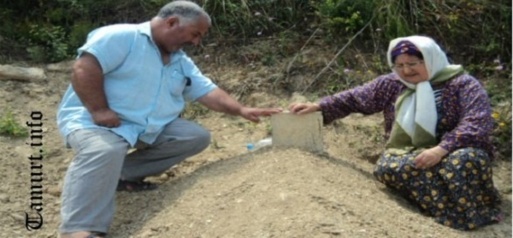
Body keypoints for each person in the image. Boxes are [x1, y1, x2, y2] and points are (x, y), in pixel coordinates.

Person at [56, 1, 282, 237]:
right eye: (195, 34)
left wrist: (242, 110)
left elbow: (208, 92)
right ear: (172, 22)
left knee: (195, 137)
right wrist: (99, 109)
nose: (196, 42)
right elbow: (84, 68)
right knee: (104, 150)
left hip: (146, 127)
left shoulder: (180, 60)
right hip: (97, 122)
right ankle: (80, 228)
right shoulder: (122, 36)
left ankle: (121, 174)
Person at [289, 35, 502, 230]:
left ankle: (475, 212)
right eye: (399, 65)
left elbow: (477, 122)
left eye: (412, 64)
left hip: (455, 149)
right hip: (409, 150)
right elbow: (355, 98)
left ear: (430, 59)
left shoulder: (463, 84)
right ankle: (442, 212)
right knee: (389, 167)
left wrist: (440, 150)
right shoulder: (392, 84)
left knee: (464, 161)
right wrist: (320, 106)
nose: (406, 71)